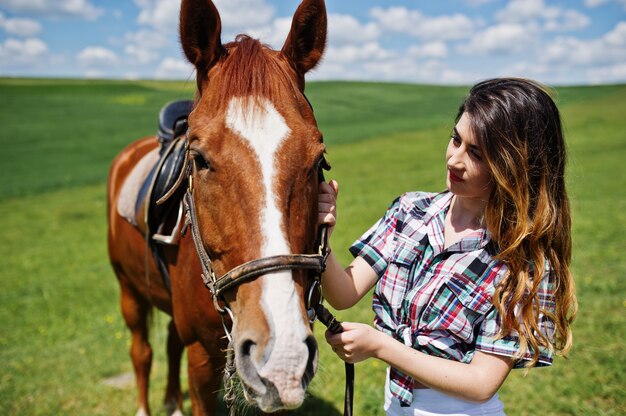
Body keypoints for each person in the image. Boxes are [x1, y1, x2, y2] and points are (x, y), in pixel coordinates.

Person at [317, 78, 577, 415]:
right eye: (456, 139)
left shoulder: (521, 263)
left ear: (513, 168)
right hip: (396, 405)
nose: (454, 159)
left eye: (476, 154)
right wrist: (319, 233)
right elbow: (344, 293)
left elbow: (481, 383)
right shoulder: (410, 212)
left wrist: (381, 346)